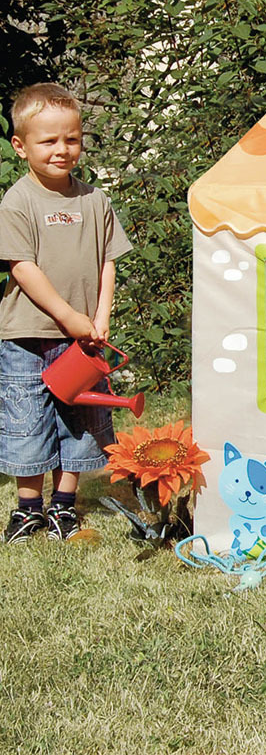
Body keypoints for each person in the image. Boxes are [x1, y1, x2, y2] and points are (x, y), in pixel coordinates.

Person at [0, 83, 132, 542]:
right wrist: (67, 315)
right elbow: (23, 266)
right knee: (26, 417)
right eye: (48, 140)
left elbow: (106, 261)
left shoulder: (94, 201)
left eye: (71, 139)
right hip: (26, 334)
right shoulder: (19, 201)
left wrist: (99, 317)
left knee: (78, 418)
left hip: (82, 339)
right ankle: (28, 508)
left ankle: (63, 507)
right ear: (20, 146)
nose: (62, 149)